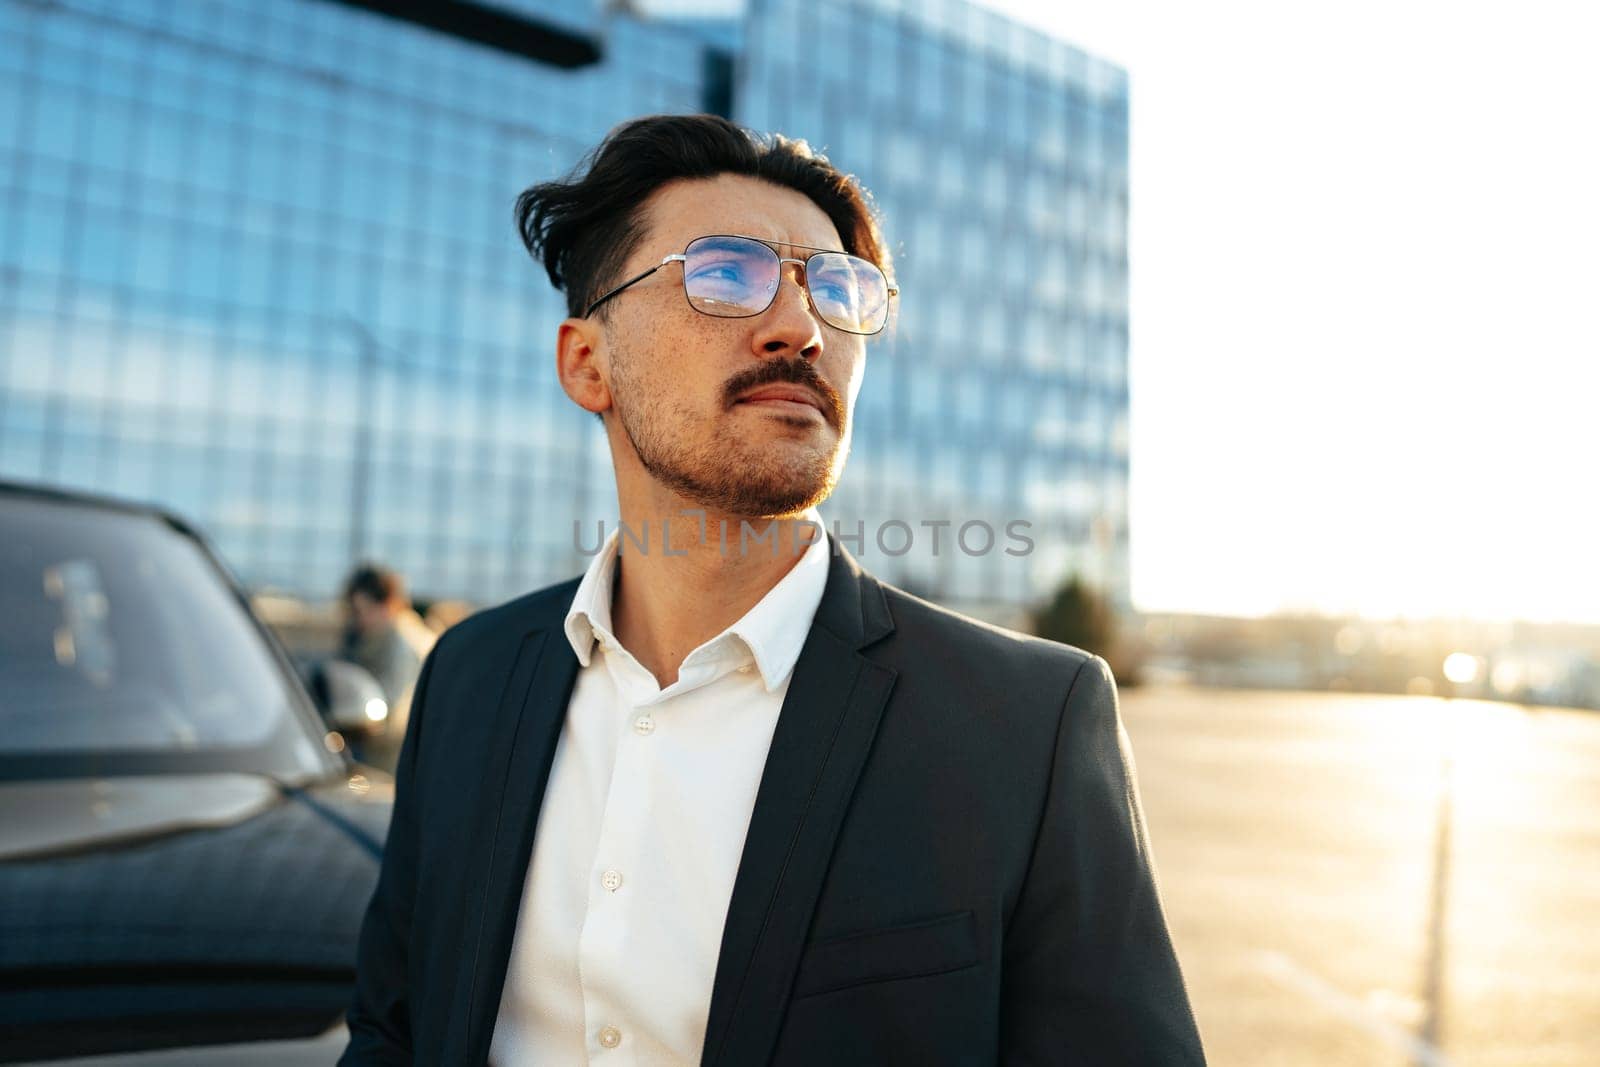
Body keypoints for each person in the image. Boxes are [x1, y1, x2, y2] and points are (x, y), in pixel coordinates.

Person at [341, 114, 1205, 1066]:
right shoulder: (471, 675)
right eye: (724, 272)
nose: (802, 327)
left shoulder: (1027, 726)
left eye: (838, 291)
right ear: (588, 363)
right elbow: (396, 1028)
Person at [337, 563, 436, 766]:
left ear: (388, 605)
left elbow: (384, 707)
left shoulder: (404, 645)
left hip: (393, 756)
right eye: (354, 611)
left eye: (364, 610)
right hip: (375, 749)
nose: (359, 619)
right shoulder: (363, 637)